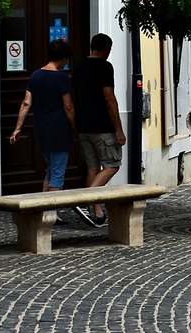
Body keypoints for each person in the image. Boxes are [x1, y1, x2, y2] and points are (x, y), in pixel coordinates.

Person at [70, 34, 126, 225]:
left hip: (83, 125)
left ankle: (97, 214)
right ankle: (85, 199)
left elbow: (74, 98)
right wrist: (118, 129)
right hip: (102, 125)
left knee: (93, 167)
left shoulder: (78, 67)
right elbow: (109, 98)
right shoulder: (104, 67)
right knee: (112, 165)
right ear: (106, 48)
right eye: (109, 49)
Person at [9, 40, 77, 197]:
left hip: (41, 129)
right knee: (58, 174)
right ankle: (51, 212)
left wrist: (18, 128)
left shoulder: (35, 76)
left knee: (51, 169)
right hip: (59, 129)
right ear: (63, 57)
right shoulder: (61, 79)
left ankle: (42, 208)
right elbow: (68, 107)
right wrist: (75, 128)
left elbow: (26, 103)